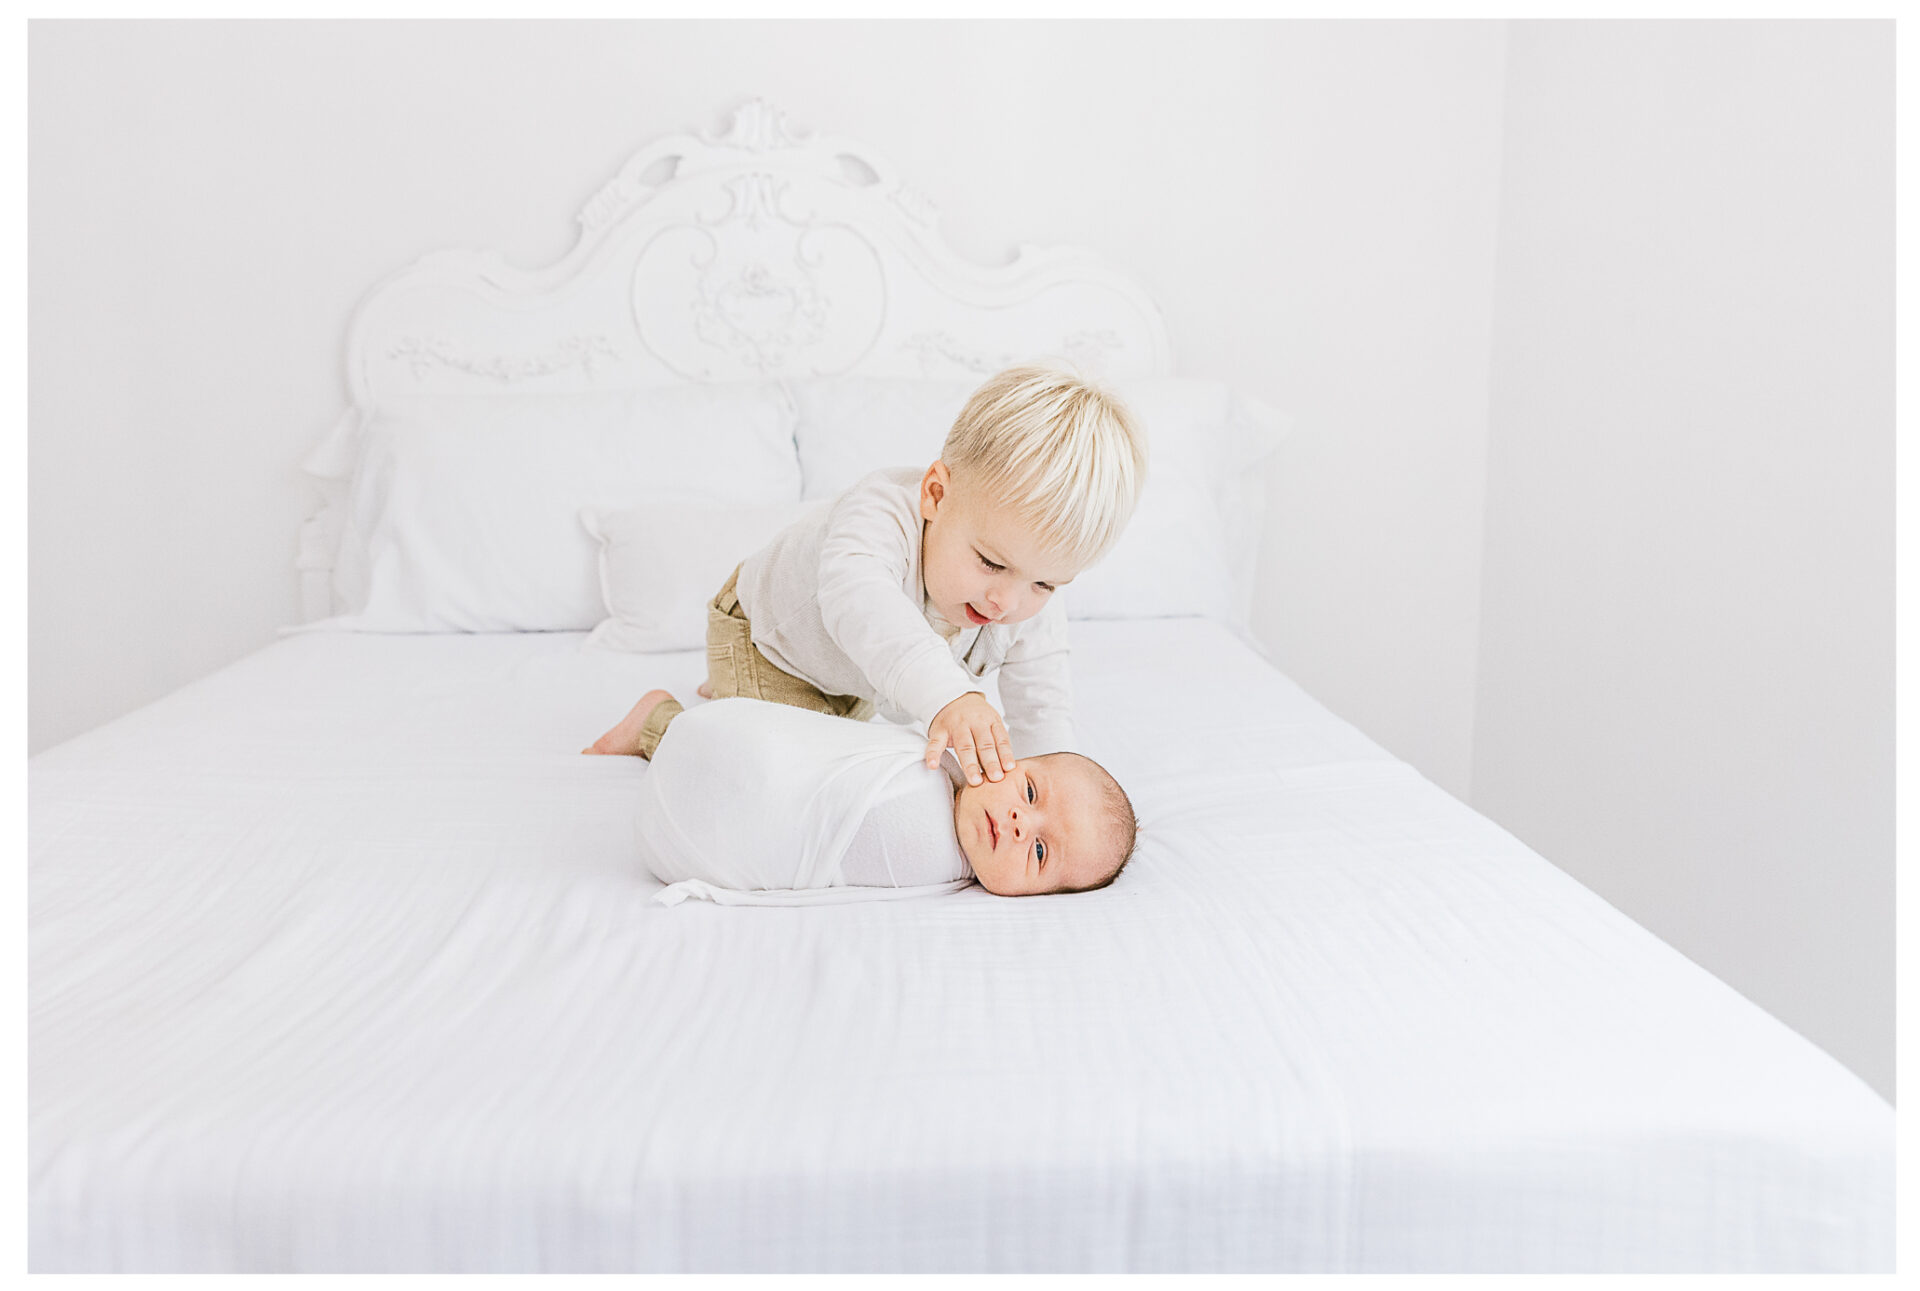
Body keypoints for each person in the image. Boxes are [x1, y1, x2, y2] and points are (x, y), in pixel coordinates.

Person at [620, 363, 1147, 787]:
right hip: (767, 640)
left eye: (1045, 584)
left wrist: (1051, 783)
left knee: (849, 743)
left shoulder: (1024, 589)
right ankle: (660, 720)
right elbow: (861, 605)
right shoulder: (878, 515)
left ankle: (735, 697)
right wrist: (950, 697)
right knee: (784, 775)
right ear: (936, 495)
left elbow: (1043, 699)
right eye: (991, 562)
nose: (1006, 601)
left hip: (853, 673)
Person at [585, 693, 1138, 901]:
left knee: (741, 798)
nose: (1021, 824)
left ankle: (661, 726)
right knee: (754, 758)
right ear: (1009, 758)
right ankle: (663, 722)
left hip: (714, 830)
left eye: (1040, 853)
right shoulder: (942, 747)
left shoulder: (945, 877)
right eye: (1031, 791)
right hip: (747, 753)